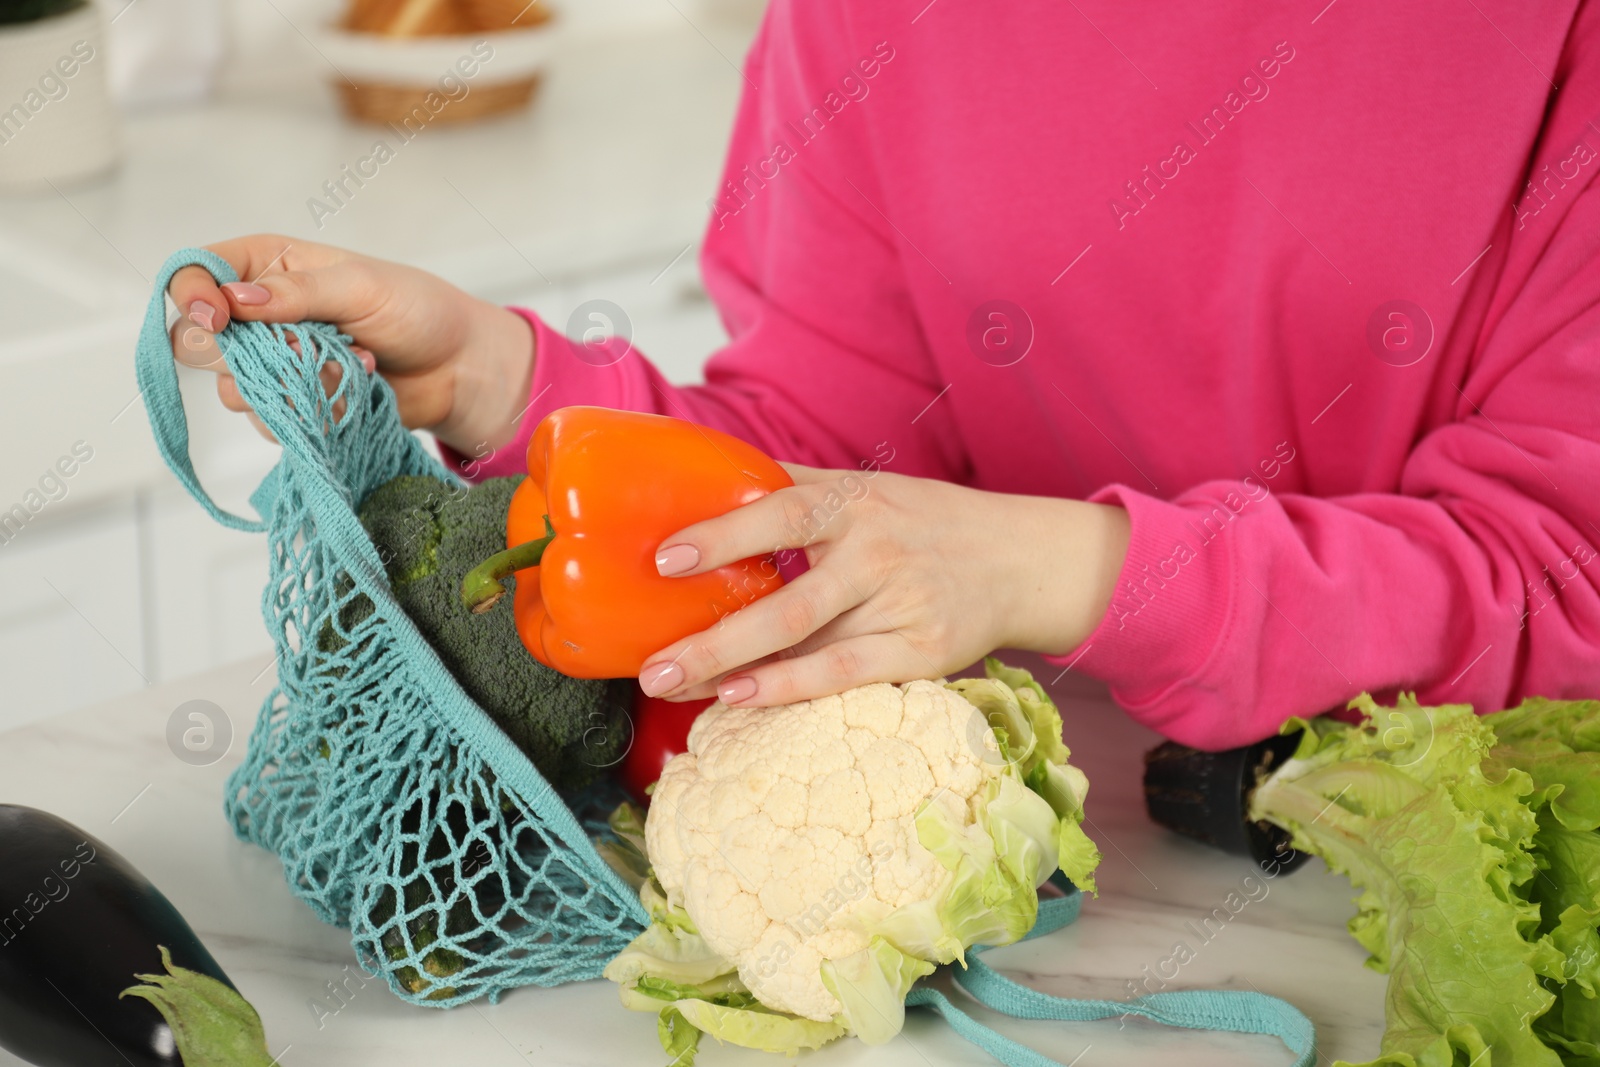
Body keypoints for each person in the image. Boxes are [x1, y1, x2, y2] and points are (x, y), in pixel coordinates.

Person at [166, 0, 1600, 750]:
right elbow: (830, 458)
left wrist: (1074, 571)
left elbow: (1565, 590)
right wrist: (500, 377)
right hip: (1062, 898)